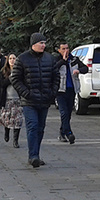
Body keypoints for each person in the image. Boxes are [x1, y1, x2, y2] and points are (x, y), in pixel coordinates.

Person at [11, 32, 59, 168]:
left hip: (44, 100)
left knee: (40, 128)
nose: (43, 45)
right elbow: (15, 79)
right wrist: (25, 93)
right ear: (33, 44)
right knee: (32, 126)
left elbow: (56, 77)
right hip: (29, 101)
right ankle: (33, 156)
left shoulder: (49, 59)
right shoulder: (23, 59)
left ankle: (35, 153)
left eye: (44, 43)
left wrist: (52, 93)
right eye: (41, 43)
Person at [55, 42, 88, 144]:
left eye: (67, 48)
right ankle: (69, 133)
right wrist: (63, 61)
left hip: (71, 89)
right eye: (63, 49)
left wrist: (78, 70)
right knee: (63, 112)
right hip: (60, 90)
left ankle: (62, 132)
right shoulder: (56, 60)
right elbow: (53, 69)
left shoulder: (74, 59)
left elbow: (85, 68)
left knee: (68, 113)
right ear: (59, 50)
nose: (66, 50)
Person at [0, 53, 23, 148]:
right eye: (10, 58)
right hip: (7, 99)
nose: (12, 60)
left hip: (18, 100)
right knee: (7, 119)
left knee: (18, 120)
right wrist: (10, 79)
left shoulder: (20, 71)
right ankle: (6, 132)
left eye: (14, 58)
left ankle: (15, 141)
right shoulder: (3, 72)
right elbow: (0, 84)